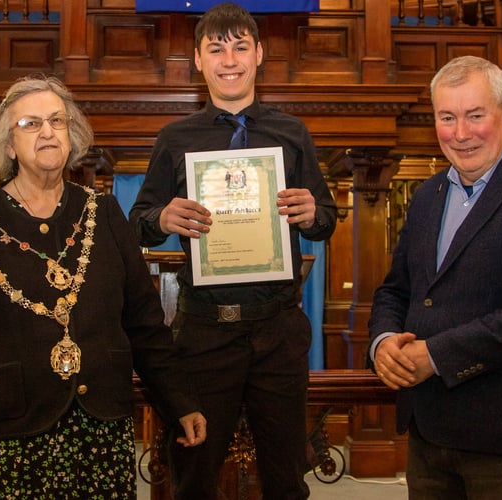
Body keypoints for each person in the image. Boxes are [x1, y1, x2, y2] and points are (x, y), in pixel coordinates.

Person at [0, 75, 206, 499]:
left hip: (97, 436)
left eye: (57, 121)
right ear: (7, 145)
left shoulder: (104, 212)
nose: (47, 131)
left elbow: (144, 323)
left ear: (72, 134)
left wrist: (180, 400)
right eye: (30, 124)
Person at [129, 3, 336, 499]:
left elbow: (325, 217)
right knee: (194, 477)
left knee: (287, 480)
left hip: (278, 331)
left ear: (259, 54)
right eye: (216, 48)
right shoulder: (175, 138)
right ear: (197, 60)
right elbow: (138, 224)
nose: (229, 59)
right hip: (205, 334)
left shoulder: (292, 133)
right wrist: (161, 218)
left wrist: (313, 213)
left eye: (240, 46)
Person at [368, 55, 502, 499]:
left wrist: (436, 356)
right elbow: (397, 289)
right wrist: (384, 341)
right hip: (429, 432)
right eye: (447, 118)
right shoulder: (428, 195)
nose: (461, 133)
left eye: (474, 115)